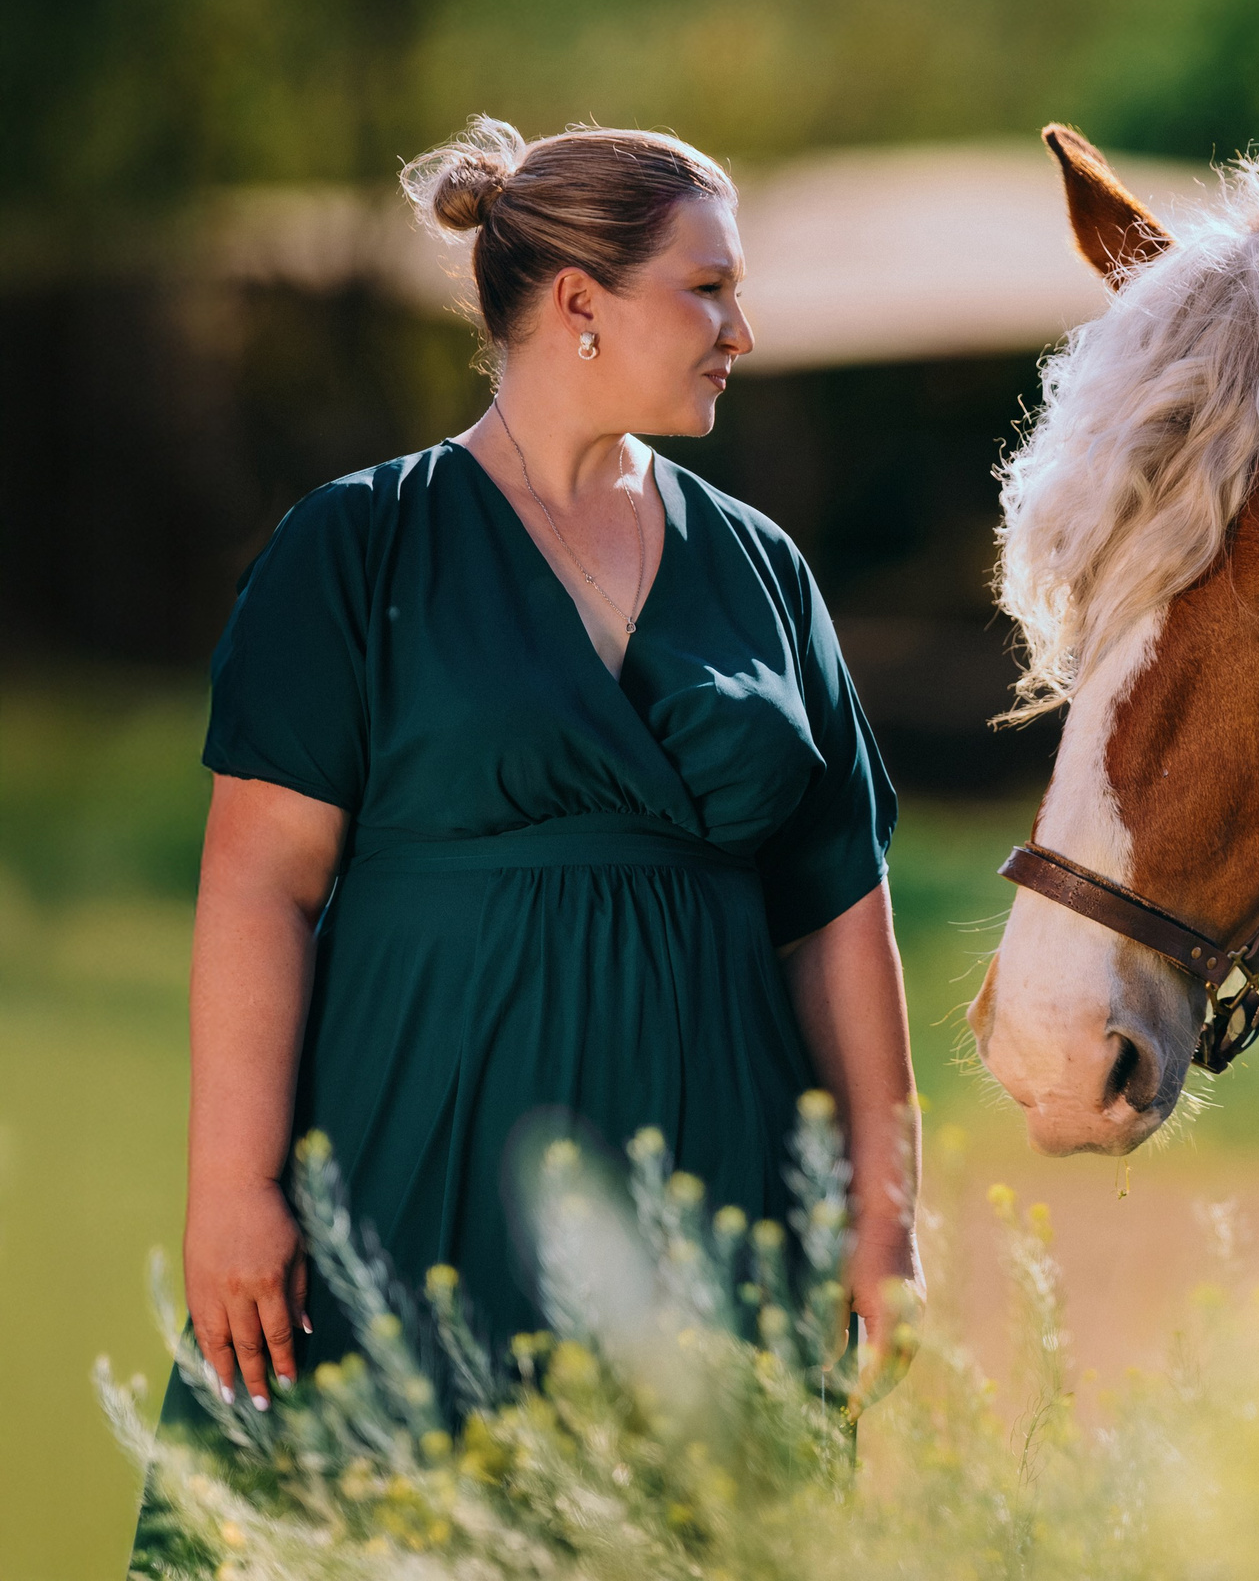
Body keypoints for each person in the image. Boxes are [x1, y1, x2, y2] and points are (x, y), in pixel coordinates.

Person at [148, 115, 918, 1490]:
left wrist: (884, 1212)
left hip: (722, 1181)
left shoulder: (765, 571)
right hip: (414, 1167)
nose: (741, 327)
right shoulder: (358, 542)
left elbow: (840, 914)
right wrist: (232, 1189)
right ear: (579, 303)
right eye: (709, 288)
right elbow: (260, 879)